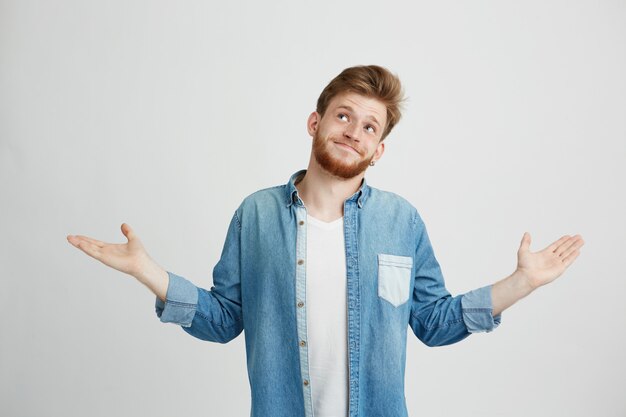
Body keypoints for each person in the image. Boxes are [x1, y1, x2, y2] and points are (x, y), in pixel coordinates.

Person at [67, 65, 585, 417]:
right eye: (343, 116)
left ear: (378, 150)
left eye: (368, 126)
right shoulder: (256, 213)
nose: (353, 131)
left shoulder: (401, 221)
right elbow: (224, 320)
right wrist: (148, 273)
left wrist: (521, 283)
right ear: (316, 122)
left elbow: (433, 323)